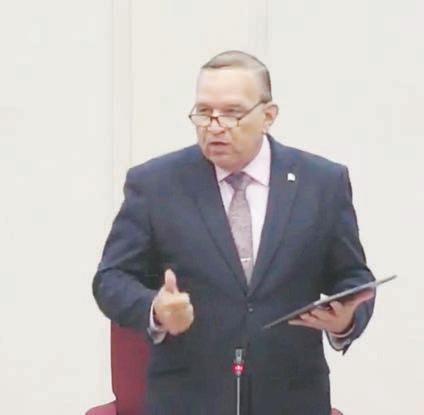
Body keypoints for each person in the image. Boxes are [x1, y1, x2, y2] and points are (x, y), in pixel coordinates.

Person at [93, 50, 375, 415]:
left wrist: (345, 321)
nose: (214, 126)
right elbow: (111, 278)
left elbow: (353, 276)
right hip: (189, 399)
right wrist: (155, 309)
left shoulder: (321, 183)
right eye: (203, 112)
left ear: (268, 115)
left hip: (291, 397)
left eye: (231, 112)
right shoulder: (156, 184)